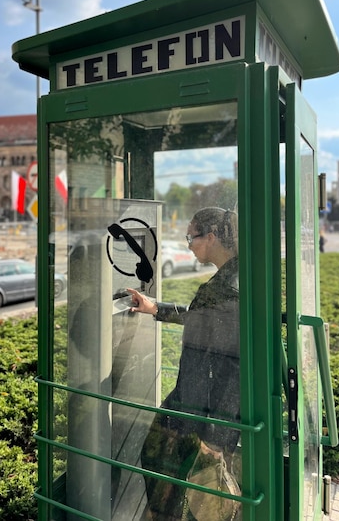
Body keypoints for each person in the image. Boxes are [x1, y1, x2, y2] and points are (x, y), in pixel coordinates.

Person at [128, 207, 240, 521]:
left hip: (203, 409)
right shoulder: (232, 277)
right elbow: (205, 322)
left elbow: (237, 364)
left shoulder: (228, 287)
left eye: (191, 236)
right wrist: (156, 308)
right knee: (168, 469)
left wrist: (216, 436)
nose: (188, 243)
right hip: (198, 403)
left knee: (167, 467)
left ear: (213, 237)